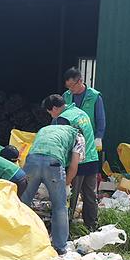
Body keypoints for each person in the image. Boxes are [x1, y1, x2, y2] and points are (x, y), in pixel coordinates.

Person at [20, 122, 85, 255]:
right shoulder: (78, 136)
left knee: (21, 204)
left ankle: (15, 240)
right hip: (53, 163)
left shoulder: (45, 129)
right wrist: (66, 184)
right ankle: (60, 247)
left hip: (32, 161)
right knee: (59, 206)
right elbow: (73, 166)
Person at [45, 94, 100, 230]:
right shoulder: (80, 112)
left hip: (78, 162)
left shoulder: (64, 119)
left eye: (50, 112)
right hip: (92, 158)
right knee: (90, 195)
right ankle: (91, 226)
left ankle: (65, 228)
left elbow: (64, 144)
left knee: (70, 197)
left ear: (54, 108)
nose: (52, 116)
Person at [63, 68, 105, 154]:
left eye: (72, 85)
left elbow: (100, 118)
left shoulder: (94, 96)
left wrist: (99, 137)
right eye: (68, 86)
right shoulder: (66, 96)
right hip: (70, 139)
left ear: (80, 81)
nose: (70, 89)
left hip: (88, 139)